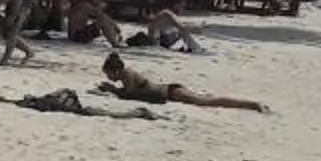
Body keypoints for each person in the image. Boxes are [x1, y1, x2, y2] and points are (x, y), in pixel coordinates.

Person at [100, 52, 266, 114]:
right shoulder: (125, 75)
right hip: (170, 92)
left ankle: (253, 104)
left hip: (171, 92)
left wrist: (112, 89)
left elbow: (130, 95)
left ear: (115, 71)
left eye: (108, 74)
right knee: (206, 99)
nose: (108, 78)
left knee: (207, 102)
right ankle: (252, 105)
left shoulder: (128, 74)